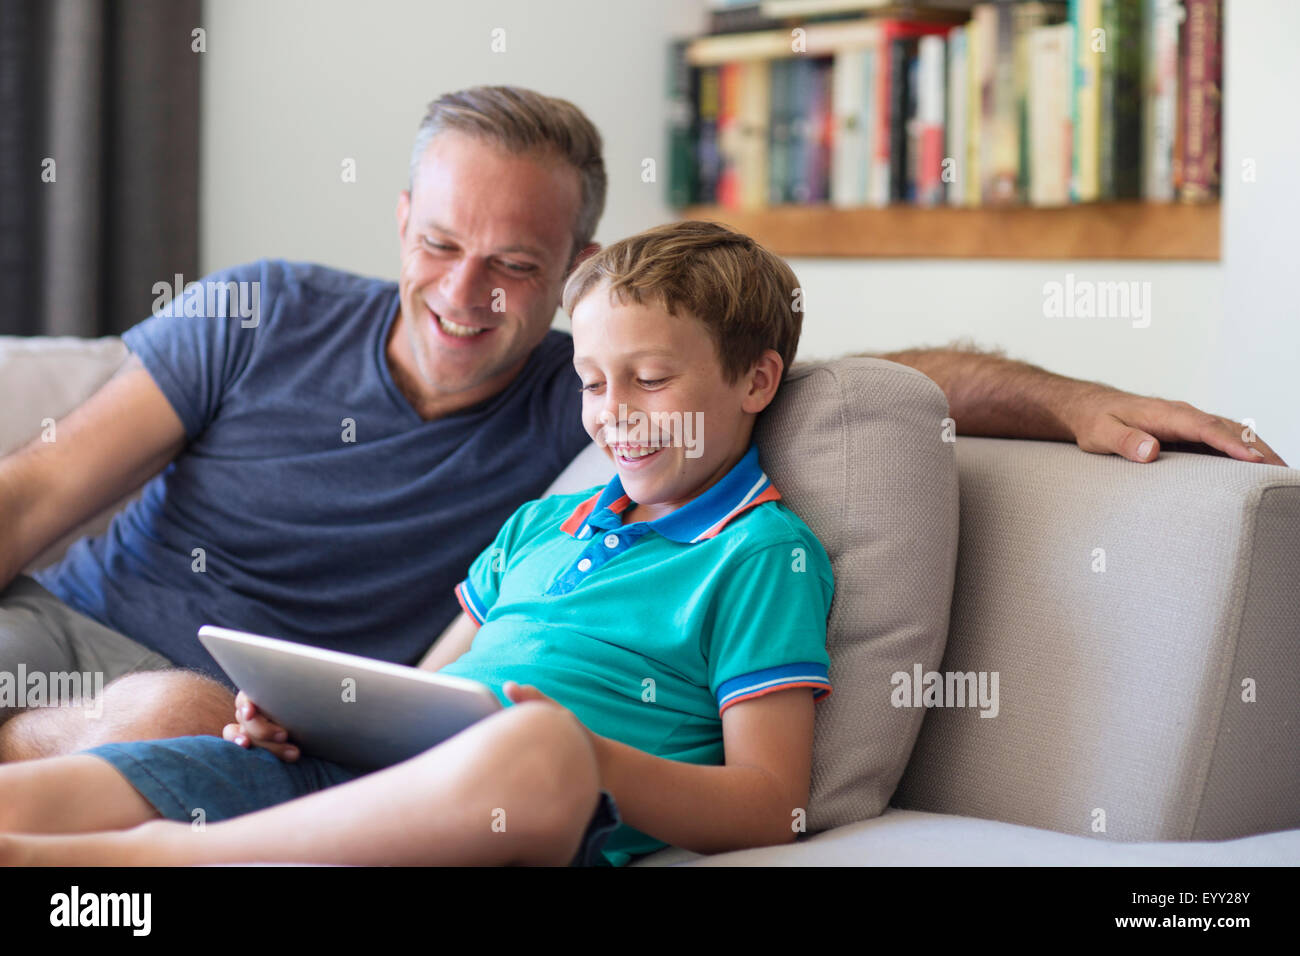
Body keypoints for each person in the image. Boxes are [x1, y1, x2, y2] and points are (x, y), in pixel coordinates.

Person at [0, 85, 1283, 763]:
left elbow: (853, 378)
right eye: (441, 243)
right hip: (47, 635)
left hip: (241, 713)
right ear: (400, 219)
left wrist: (1063, 397)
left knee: (174, 712)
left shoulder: (599, 401)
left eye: (513, 263)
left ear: (579, 262)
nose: (463, 293)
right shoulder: (259, 310)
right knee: (159, 701)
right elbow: (34, 501)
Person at [0, 220, 833, 867]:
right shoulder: (544, 524)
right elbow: (422, 691)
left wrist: (594, 758)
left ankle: (157, 859)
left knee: (535, 746)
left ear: (756, 380)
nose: (612, 410)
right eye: (589, 381)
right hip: (371, 785)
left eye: (650, 381)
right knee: (47, 797)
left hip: (521, 808)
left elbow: (770, 803)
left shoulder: (760, 554)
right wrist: (313, 718)